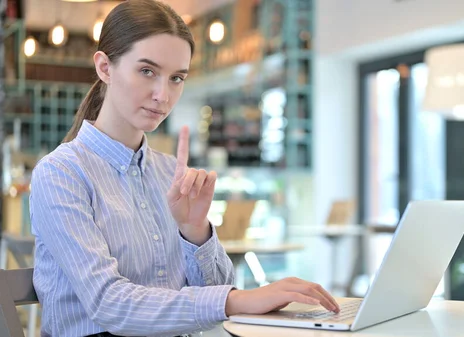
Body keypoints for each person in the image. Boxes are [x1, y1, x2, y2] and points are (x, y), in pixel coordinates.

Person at [28, 1, 339, 336]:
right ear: (105, 67)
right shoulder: (60, 173)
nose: (163, 95)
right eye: (147, 71)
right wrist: (237, 300)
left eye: (176, 78)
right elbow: (108, 304)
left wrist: (196, 231)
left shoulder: (168, 173)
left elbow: (217, 291)